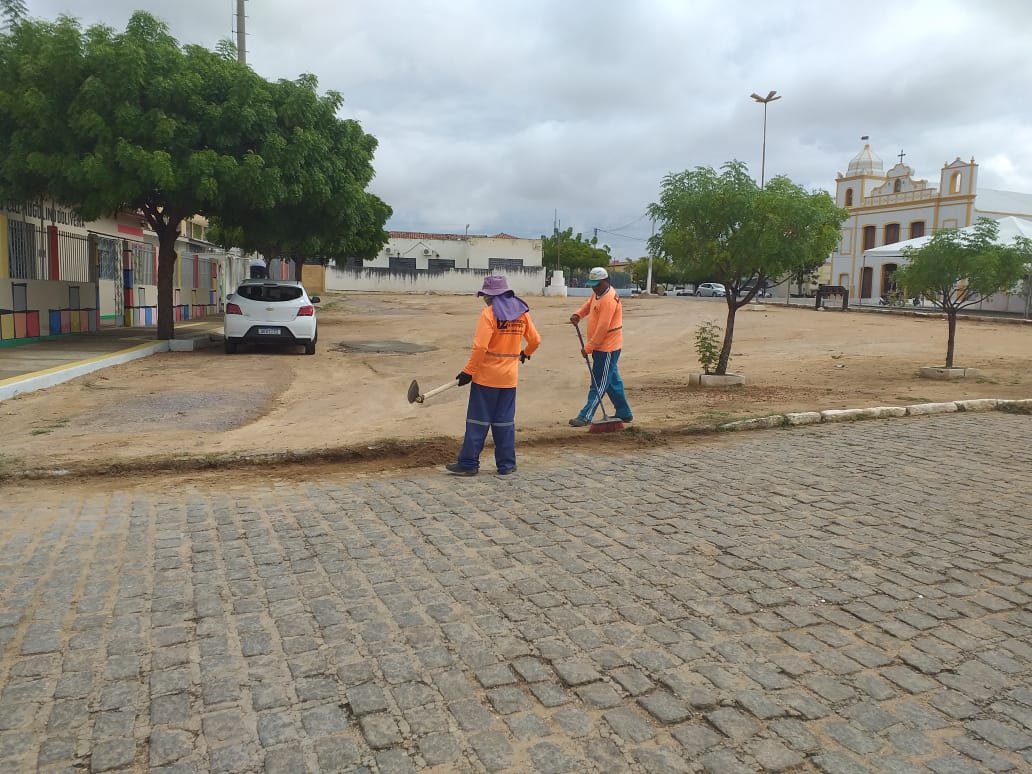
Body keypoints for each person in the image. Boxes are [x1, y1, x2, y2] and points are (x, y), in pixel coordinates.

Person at [447, 275, 541, 476]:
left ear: (490, 296)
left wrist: (468, 371)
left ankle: (468, 464)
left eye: (485, 296)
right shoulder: (522, 313)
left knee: (478, 421)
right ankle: (506, 465)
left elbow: (481, 346)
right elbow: (536, 340)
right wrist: (526, 353)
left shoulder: (489, 314)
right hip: (509, 379)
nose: (484, 299)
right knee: (504, 422)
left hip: (486, 378)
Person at [568, 267, 633, 426]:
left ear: (607, 281)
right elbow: (589, 304)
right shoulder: (599, 293)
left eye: (597, 284)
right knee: (612, 381)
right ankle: (624, 412)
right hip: (602, 347)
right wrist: (579, 314)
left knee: (599, 382)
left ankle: (585, 415)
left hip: (607, 348)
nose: (594, 287)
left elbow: (603, 327)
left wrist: (588, 347)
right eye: (592, 284)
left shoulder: (609, 299)